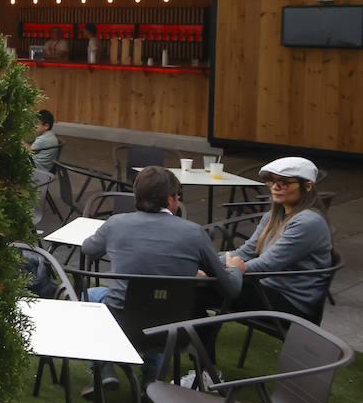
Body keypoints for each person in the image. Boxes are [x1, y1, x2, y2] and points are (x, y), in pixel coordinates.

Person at [81, 166, 242, 380]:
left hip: (123, 321)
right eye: (177, 196)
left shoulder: (116, 224)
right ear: (169, 200)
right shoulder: (194, 232)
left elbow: (88, 248)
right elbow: (230, 288)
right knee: (157, 307)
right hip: (174, 328)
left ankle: (102, 365)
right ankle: (151, 378)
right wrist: (235, 269)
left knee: (90, 295)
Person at [226, 157, 333, 317]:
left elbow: (268, 264)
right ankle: (194, 338)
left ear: (308, 186)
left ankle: (192, 339)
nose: (275, 187)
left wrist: (227, 271)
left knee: (204, 287)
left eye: (284, 182)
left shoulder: (308, 221)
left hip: (291, 302)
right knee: (198, 281)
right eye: (271, 180)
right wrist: (206, 263)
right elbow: (247, 252)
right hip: (265, 287)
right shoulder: (272, 216)